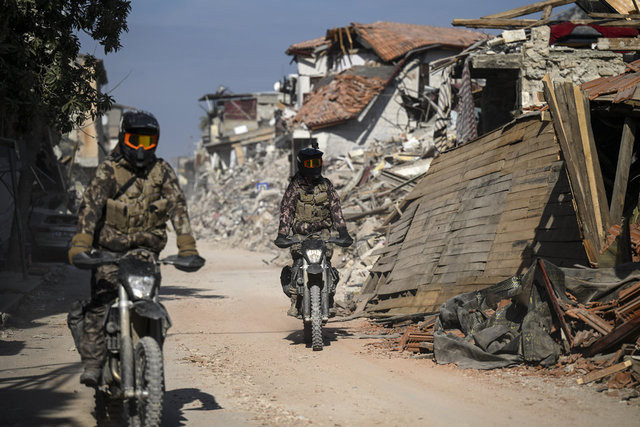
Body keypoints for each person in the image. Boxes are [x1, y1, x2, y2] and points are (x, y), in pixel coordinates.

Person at [67, 110, 199, 387]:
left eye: (147, 141)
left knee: (151, 304)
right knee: (100, 306)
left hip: (145, 254)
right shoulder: (108, 170)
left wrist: (187, 248)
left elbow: (178, 207)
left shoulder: (161, 170)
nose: (141, 148)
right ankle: (93, 363)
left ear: (156, 142)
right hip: (108, 252)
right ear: (124, 138)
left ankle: (151, 364)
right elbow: (90, 208)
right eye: (135, 140)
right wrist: (81, 245)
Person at [274, 145, 353, 317]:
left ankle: (329, 296)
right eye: (310, 163)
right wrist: (282, 234)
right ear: (302, 164)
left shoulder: (326, 185)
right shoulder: (295, 186)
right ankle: (295, 300)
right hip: (300, 235)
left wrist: (343, 233)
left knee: (329, 264)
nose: (314, 167)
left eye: (317, 162)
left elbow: (336, 209)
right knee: (296, 264)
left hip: (323, 233)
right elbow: (286, 210)